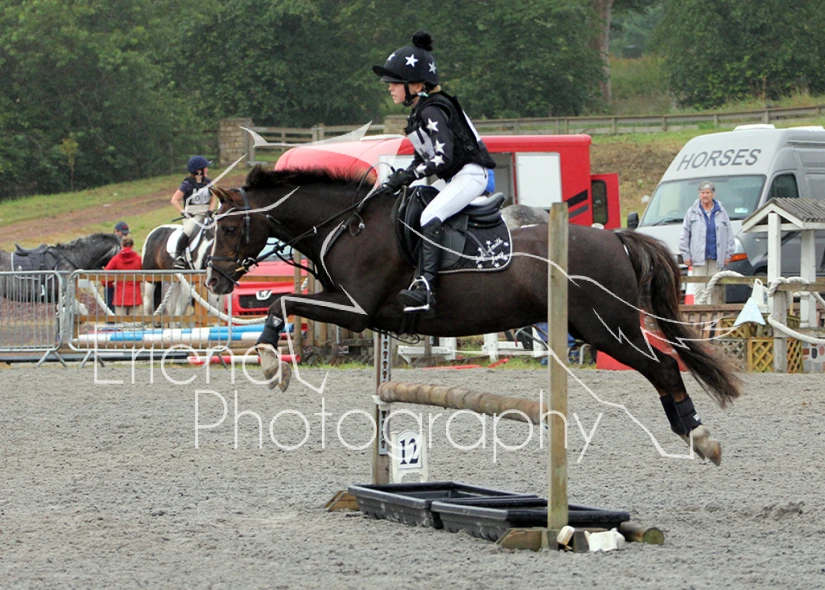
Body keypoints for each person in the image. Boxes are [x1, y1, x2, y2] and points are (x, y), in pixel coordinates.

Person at [372, 30, 496, 313]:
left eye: (395, 83)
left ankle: (426, 287)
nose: (390, 88)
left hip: (472, 174)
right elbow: (422, 158)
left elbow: (443, 157)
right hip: (457, 176)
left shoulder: (432, 111)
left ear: (416, 85)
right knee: (413, 202)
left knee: (430, 215)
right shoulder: (420, 111)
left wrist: (409, 175)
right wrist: (397, 180)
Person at [679, 181, 735, 304]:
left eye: (708, 193)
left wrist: (728, 254)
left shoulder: (721, 212)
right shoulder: (691, 212)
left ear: (713, 194)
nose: (705, 195)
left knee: (716, 287)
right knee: (699, 288)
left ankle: (716, 314)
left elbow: (729, 234)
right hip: (699, 257)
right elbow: (685, 234)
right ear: (699, 194)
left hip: (716, 257)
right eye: (702, 193)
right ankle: (701, 313)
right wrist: (685, 255)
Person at [170, 155, 217, 269]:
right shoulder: (187, 184)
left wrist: (210, 210)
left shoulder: (208, 182)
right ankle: (179, 257)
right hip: (192, 215)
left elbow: (213, 199)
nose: (207, 169)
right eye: (205, 168)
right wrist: (183, 212)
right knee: (188, 231)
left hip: (206, 214)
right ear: (199, 171)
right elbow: (174, 200)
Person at [104, 236, 143, 317]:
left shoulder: (116, 259)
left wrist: (110, 285)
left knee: (120, 322)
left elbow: (105, 274)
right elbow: (145, 275)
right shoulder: (138, 259)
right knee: (134, 323)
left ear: (121, 246)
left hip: (120, 295)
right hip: (135, 295)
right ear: (133, 246)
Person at [106, 221, 131, 312]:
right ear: (116, 231)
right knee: (110, 307)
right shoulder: (107, 244)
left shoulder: (127, 246)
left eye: (126, 234)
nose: (124, 236)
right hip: (112, 282)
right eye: (122, 233)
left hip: (124, 283)